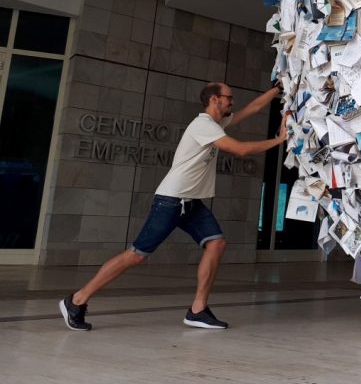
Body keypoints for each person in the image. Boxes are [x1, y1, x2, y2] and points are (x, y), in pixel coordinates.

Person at [59, 82, 287, 331]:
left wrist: (278, 88)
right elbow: (240, 150)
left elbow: (253, 108)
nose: (233, 102)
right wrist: (280, 140)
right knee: (136, 254)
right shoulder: (203, 126)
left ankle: (198, 309)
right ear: (214, 99)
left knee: (217, 243)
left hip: (190, 203)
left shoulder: (216, 124)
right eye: (229, 98)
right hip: (171, 200)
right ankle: (76, 300)